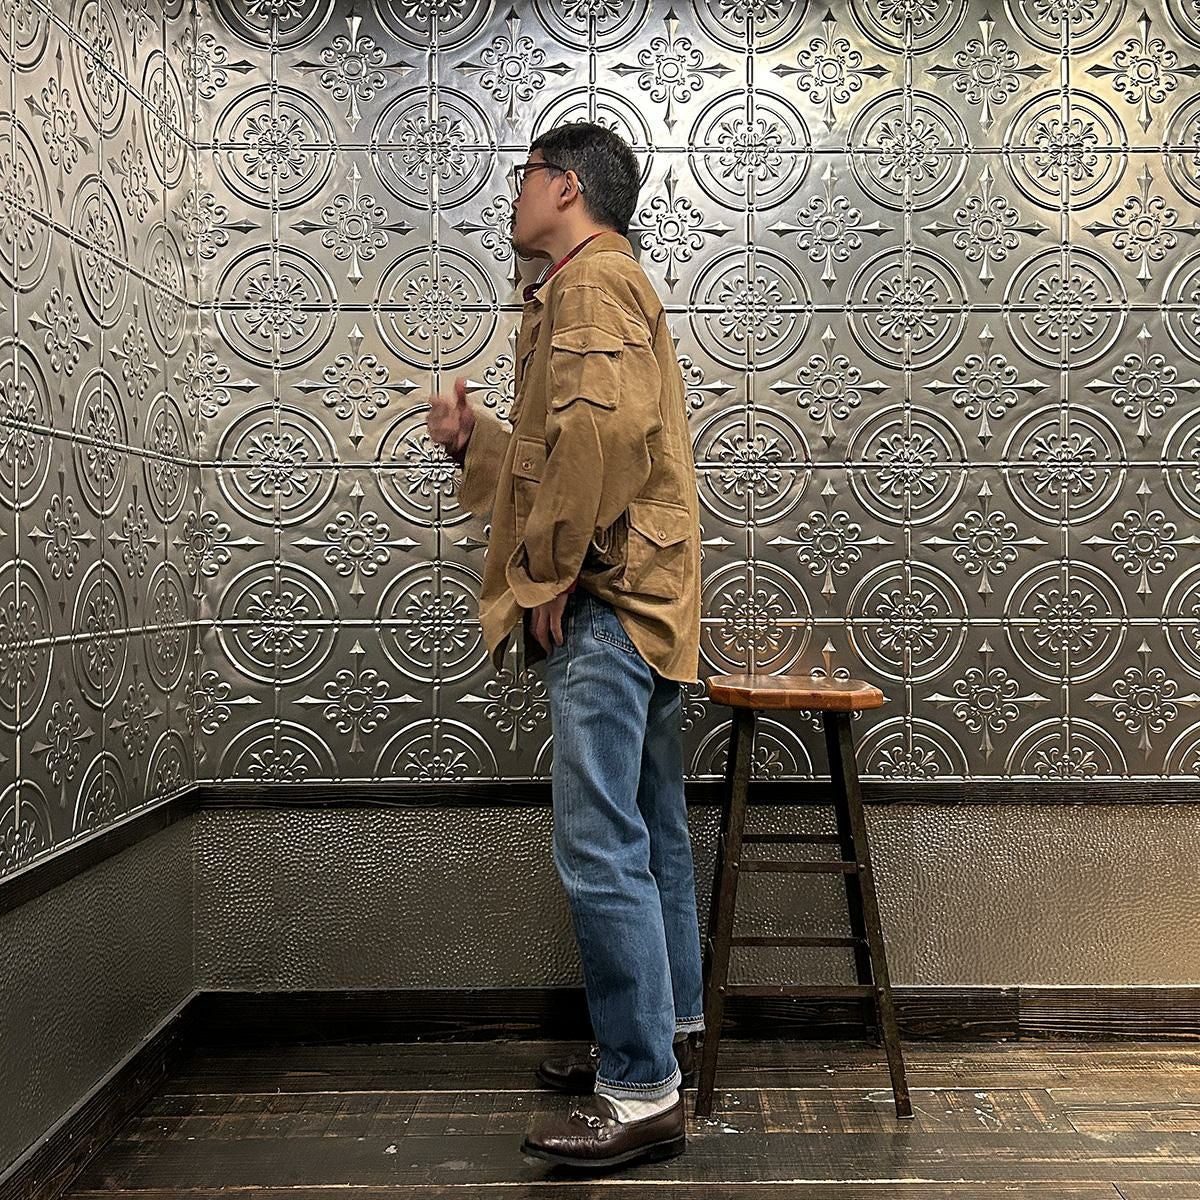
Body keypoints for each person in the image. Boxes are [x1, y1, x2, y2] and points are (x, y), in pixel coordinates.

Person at [426, 122, 704, 1170]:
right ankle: (667, 1041)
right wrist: (475, 441)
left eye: (524, 177)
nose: (514, 197)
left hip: (608, 603)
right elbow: (569, 447)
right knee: (652, 834)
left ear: (565, 187)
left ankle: (638, 1090)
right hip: (647, 601)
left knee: (600, 846)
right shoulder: (592, 288)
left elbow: (598, 442)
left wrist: (548, 572)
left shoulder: (588, 286)